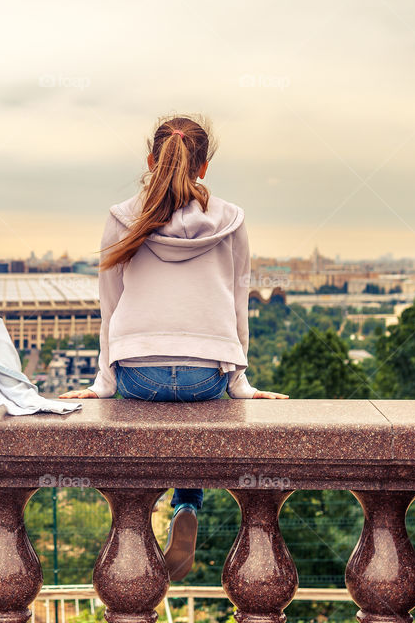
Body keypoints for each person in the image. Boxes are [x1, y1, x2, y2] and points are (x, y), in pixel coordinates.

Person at [59, 115, 288, 581]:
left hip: (138, 372)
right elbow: (237, 300)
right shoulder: (232, 219)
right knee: (191, 406)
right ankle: (187, 502)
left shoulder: (123, 216)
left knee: (148, 407)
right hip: (208, 373)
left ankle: (138, 517)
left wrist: (104, 383)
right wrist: (239, 382)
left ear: (150, 160)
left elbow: (111, 304)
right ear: (203, 167)